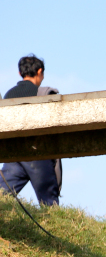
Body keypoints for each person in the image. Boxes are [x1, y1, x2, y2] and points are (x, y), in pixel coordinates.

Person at [1, 55, 62, 206]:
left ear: (20, 73)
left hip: (13, 153)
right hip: (37, 153)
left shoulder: (8, 95)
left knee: (2, 193)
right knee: (49, 203)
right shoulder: (42, 94)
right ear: (40, 71)